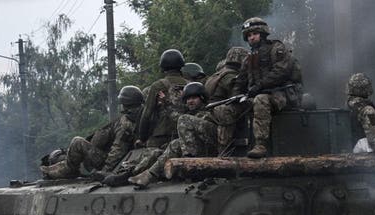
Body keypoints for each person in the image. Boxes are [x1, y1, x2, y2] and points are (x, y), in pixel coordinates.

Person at [233, 17, 303, 158]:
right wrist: (235, 96)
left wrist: (259, 86)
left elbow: (281, 72)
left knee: (260, 99)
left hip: (282, 95)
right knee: (229, 108)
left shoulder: (276, 49)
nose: (251, 38)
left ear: (262, 33)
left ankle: (260, 144)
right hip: (261, 94)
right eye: (248, 35)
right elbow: (240, 81)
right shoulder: (249, 58)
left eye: (254, 34)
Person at [40, 86, 145, 179]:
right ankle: (61, 167)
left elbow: (117, 150)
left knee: (77, 142)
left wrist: (104, 171)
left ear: (125, 103)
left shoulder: (126, 124)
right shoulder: (140, 116)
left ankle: (69, 171)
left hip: (107, 161)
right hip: (114, 158)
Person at [129, 82, 217, 187]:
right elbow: (176, 117)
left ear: (202, 98)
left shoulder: (209, 113)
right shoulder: (191, 115)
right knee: (174, 144)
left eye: (194, 98)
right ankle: (148, 175)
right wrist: (166, 103)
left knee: (183, 119)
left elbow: (182, 119)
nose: (190, 101)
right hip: (197, 150)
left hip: (210, 150)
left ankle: (188, 163)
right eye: (188, 99)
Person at [136, 49, 189, 148]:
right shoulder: (189, 84)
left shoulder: (158, 85)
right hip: (185, 132)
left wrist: (142, 138)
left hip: (162, 134)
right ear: (181, 65)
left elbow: (146, 114)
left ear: (163, 66)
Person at [346, 73, 375, 178]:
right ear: (366, 88)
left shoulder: (349, 106)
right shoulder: (367, 110)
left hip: (352, 150)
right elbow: (374, 138)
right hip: (365, 150)